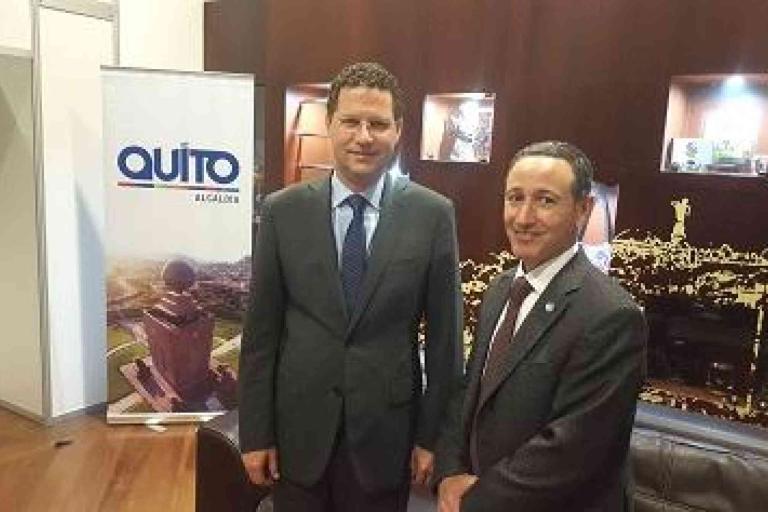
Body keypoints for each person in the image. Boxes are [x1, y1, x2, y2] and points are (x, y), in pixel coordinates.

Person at [239, 61, 463, 512]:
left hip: (387, 437)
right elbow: (261, 335)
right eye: (351, 122)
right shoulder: (283, 212)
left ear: (398, 130)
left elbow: (445, 343)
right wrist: (256, 434)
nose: (364, 136)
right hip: (297, 432)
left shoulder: (433, 214)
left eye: (378, 124)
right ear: (329, 124)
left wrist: (434, 439)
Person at [435, 141, 647, 512]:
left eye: (545, 200)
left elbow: (573, 449)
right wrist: (449, 472)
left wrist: (476, 498)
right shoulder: (500, 289)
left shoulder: (611, 315)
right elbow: (471, 390)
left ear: (584, 209)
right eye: (514, 198)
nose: (523, 217)